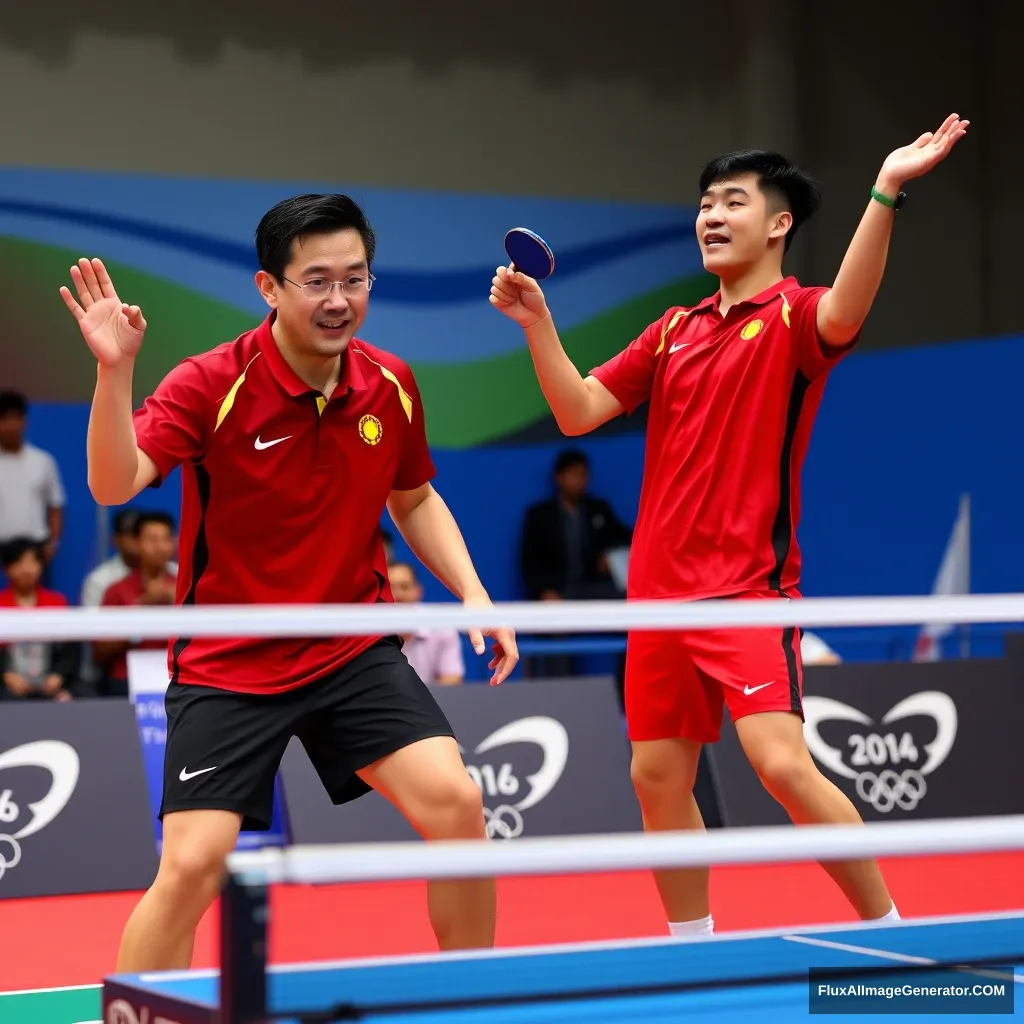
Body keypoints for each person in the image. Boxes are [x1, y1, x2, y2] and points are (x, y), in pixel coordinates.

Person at [490, 115, 969, 936]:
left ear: (779, 224)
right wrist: (538, 324)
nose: (711, 215)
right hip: (657, 596)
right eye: (705, 202)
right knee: (656, 778)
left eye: (733, 202)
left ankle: (895, 935)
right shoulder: (672, 330)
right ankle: (691, 946)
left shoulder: (797, 320)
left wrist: (886, 188)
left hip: (746, 589)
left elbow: (850, 307)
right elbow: (577, 410)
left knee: (782, 763)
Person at [59, 193, 518, 973]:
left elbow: (413, 498)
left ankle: (466, 994)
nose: (339, 300)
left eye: (356, 278)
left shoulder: (391, 382)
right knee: (193, 867)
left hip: (350, 649)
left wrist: (474, 591)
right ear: (269, 287)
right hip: (230, 661)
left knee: (458, 804)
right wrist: (115, 373)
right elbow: (115, 483)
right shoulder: (213, 383)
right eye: (316, 281)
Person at [94, 511, 179, 697]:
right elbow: (100, 651)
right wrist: (142, 611)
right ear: (136, 543)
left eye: (165, 539)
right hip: (128, 677)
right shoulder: (117, 591)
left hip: (180, 674)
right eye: (152, 539)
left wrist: (179, 605)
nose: (159, 547)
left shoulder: (186, 588)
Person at [0, 538, 79, 701]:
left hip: (50, 680)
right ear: (7, 568)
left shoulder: (57, 602)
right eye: (20, 562)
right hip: (8, 683)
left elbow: (71, 649)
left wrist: (59, 675)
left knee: (79, 695)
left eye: (33, 562)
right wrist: (6, 675)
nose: (27, 570)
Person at [388, 560, 465, 685]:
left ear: (418, 591)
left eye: (405, 587)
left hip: (431, 701)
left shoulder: (441, 627)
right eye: (390, 588)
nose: (398, 595)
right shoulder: (367, 630)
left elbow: (452, 679)